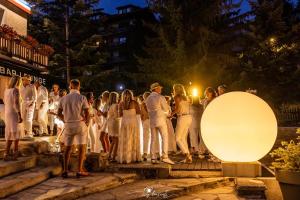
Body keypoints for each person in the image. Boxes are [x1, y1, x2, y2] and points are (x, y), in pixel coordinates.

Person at [57, 79, 90, 178]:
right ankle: (79, 170)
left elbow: (59, 113)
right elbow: (87, 112)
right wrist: (87, 122)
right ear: (78, 87)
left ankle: (65, 170)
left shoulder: (63, 99)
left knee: (67, 148)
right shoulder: (82, 98)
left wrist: (65, 120)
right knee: (81, 147)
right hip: (79, 123)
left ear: (70, 87)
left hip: (68, 124)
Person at [145, 82, 174, 165]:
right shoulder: (160, 97)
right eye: (160, 88)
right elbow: (165, 109)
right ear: (156, 89)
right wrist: (168, 113)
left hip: (152, 120)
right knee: (164, 137)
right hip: (160, 119)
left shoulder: (148, 98)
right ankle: (165, 157)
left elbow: (149, 110)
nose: (161, 89)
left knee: (153, 139)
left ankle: (153, 157)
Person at [118, 89, 141, 163]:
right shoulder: (135, 103)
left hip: (125, 123)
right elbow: (138, 112)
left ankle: (125, 158)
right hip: (133, 123)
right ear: (131, 95)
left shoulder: (121, 104)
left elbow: (120, 115)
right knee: (133, 139)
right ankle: (133, 157)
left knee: (125, 140)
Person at [171, 84, 193, 163]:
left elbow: (178, 109)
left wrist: (171, 115)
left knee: (177, 139)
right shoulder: (186, 97)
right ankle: (188, 157)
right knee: (183, 138)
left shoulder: (177, 97)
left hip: (182, 118)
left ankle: (187, 154)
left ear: (175, 90)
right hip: (188, 117)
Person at [3, 76, 22, 161]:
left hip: (7, 112)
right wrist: (20, 114)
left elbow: (4, 101)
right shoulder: (15, 90)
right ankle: (15, 153)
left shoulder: (6, 90)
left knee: (10, 133)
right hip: (14, 113)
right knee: (15, 133)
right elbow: (16, 103)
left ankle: (6, 154)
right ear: (18, 82)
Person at [107, 92, 120, 161]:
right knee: (117, 140)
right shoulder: (116, 105)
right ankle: (114, 157)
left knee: (113, 141)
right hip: (115, 123)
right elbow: (116, 116)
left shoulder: (110, 105)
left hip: (110, 122)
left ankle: (109, 155)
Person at [140, 92, 151, 161]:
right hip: (152, 121)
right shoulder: (153, 102)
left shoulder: (143, 104)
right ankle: (156, 153)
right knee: (154, 137)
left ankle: (145, 153)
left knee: (145, 137)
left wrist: (142, 120)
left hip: (146, 121)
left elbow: (141, 114)